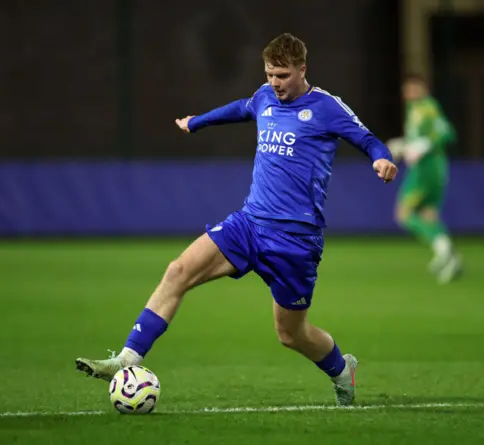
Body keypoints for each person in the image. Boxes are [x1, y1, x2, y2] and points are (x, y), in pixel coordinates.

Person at [75, 33, 397, 406]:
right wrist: (198, 122)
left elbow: (366, 138)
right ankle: (126, 360)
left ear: (302, 70)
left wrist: (381, 157)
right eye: (270, 74)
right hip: (249, 224)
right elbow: (240, 108)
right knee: (178, 270)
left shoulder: (326, 107)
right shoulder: (264, 97)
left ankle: (343, 370)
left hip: (296, 240)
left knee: (291, 334)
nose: (275, 83)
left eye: (283, 75)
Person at [386, 74, 461, 284]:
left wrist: (422, 147)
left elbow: (447, 132)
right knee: (428, 215)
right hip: (436, 168)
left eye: (414, 88)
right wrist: (404, 144)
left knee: (404, 214)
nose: (409, 93)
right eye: (407, 89)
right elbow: (419, 137)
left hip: (425, 170)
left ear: (424, 89)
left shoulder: (427, 107)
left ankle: (445, 251)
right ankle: (446, 256)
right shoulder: (415, 109)